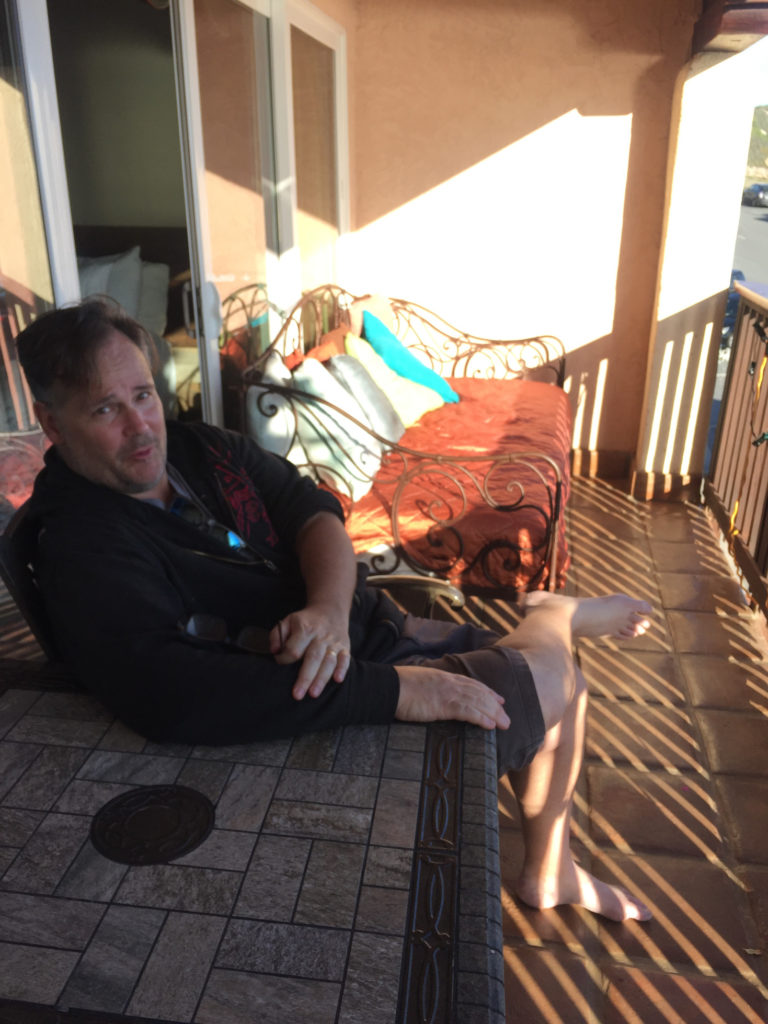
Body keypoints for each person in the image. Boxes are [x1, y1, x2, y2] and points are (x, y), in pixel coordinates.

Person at [15, 299, 654, 923]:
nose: (140, 426)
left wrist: (326, 608)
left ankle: (550, 870)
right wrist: (397, 690)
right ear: (52, 423)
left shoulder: (197, 450)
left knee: (568, 682)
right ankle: (555, 616)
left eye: (144, 395)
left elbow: (310, 510)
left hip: (365, 632)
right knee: (551, 674)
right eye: (106, 409)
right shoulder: (81, 543)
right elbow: (172, 693)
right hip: (323, 710)